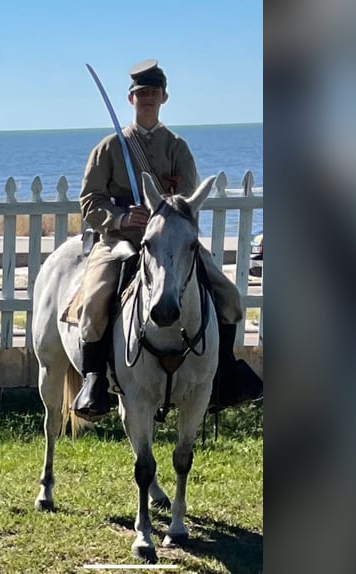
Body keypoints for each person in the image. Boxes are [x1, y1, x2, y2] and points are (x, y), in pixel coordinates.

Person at [72, 59, 262, 421]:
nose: (147, 98)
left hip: (170, 244)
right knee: (95, 299)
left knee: (228, 297)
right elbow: (89, 201)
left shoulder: (177, 148)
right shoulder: (110, 147)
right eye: (141, 93)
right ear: (131, 99)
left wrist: (164, 216)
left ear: (164, 97)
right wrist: (122, 216)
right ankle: (94, 380)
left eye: (153, 93)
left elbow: (188, 202)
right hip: (120, 240)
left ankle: (224, 372)